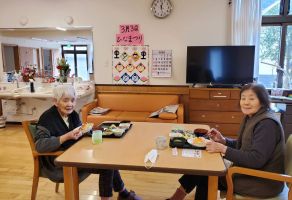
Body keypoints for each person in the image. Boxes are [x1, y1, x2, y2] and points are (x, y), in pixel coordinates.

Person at [168, 83, 285, 200]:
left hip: (262, 182)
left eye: (252, 98)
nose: (246, 102)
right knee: (203, 168)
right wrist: (223, 140)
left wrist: (223, 149)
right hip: (249, 173)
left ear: (262, 100)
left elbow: (256, 159)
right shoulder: (253, 117)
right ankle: (176, 198)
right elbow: (244, 146)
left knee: (207, 174)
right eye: (243, 98)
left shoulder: (266, 124)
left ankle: (176, 198)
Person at [34, 84, 141, 200]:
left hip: (74, 155)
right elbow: (40, 146)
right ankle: (123, 194)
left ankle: (123, 193)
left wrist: (95, 130)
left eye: (73, 100)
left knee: (108, 162)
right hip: (57, 163)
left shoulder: (73, 115)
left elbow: (81, 130)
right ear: (55, 102)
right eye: (65, 100)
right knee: (106, 165)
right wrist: (67, 136)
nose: (70, 104)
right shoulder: (47, 118)